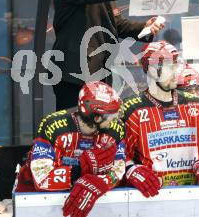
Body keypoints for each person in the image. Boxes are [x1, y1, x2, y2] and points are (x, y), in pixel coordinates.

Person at [52, 0, 164, 110]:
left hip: (99, 74)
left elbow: (117, 25)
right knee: (73, 130)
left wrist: (145, 27)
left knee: (100, 130)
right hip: (72, 77)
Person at [120, 41, 199, 196]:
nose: (176, 71)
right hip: (153, 197)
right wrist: (132, 170)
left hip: (195, 195)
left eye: (176, 65)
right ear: (151, 69)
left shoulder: (196, 105)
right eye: (169, 66)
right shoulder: (132, 110)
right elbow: (120, 156)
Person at [15, 81, 126, 217]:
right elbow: (41, 178)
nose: (116, 118)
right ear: (97, 118)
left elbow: (119, 170)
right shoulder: (52, 126)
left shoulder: (117, 130)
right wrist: (81, 171)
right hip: (40, 201)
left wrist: (97, 183)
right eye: (112, 114)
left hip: (92, 200)